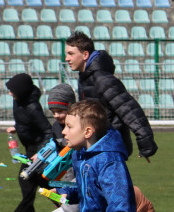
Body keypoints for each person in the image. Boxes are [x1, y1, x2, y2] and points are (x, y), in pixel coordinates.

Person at [64, 31, 159, 160]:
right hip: (96, 146)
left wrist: (145, 143)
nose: (67, 58)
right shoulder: (85, 77)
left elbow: (130, 111)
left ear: (85, 54)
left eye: (71, 54)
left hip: (110, 148)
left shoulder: (103, 79)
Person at [5, 73, 55, 212]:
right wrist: (16, 129)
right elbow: (24, 121)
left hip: (37, 148)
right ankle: (65, 204)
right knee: (44, 183)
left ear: (21, 91)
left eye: (12, 90)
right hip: (30, 148)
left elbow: (48, 131)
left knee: (26, 178)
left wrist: (41, 153)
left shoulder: (33, 108)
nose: (9, 93)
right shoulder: (18, 101)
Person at [42, 83, 80, 212]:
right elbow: (53, 148)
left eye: (60, 111)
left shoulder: (81, 124)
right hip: (63, 182)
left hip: (81, 182)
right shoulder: (57, 127)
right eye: (53, 111)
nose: (56, 116)